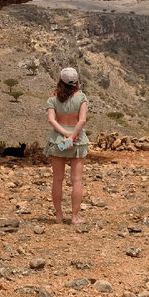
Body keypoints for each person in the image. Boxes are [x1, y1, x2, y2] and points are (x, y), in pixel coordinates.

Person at [45, 67, 89, 224]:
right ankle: (75, 217)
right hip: (78, 141)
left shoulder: (53, 98)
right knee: (76, 180)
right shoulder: (81, 97)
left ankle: (58, 215)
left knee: (57, 179)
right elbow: (82, 120)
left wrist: (65, 136)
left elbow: (51, 120)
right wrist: (72, 136)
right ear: (76, 81)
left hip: (58, 140)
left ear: (60, 80)